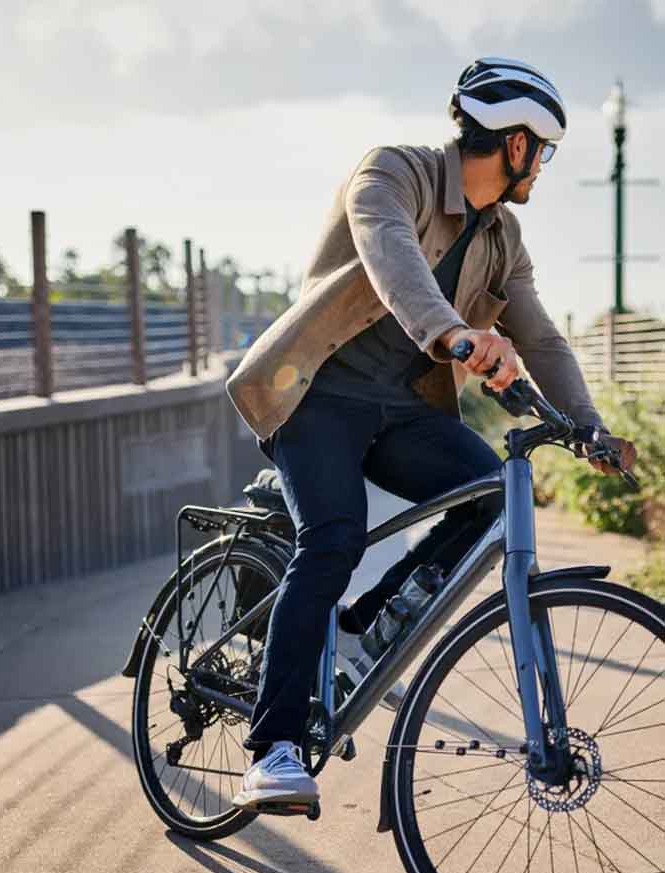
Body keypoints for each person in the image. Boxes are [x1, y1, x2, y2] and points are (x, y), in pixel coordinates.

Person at [225, 57, 637, 811]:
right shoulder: (394, 174)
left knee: (486, 495)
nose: (541, 169)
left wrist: (591, 428)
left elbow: (541, 339)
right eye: (542, 153)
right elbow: (393, 262)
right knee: (335, 536)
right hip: (315, 396)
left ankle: (364, 626)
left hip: (400, 410)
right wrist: (453, 334)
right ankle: (274, 746)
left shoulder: (501, 237)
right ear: (516, 145)